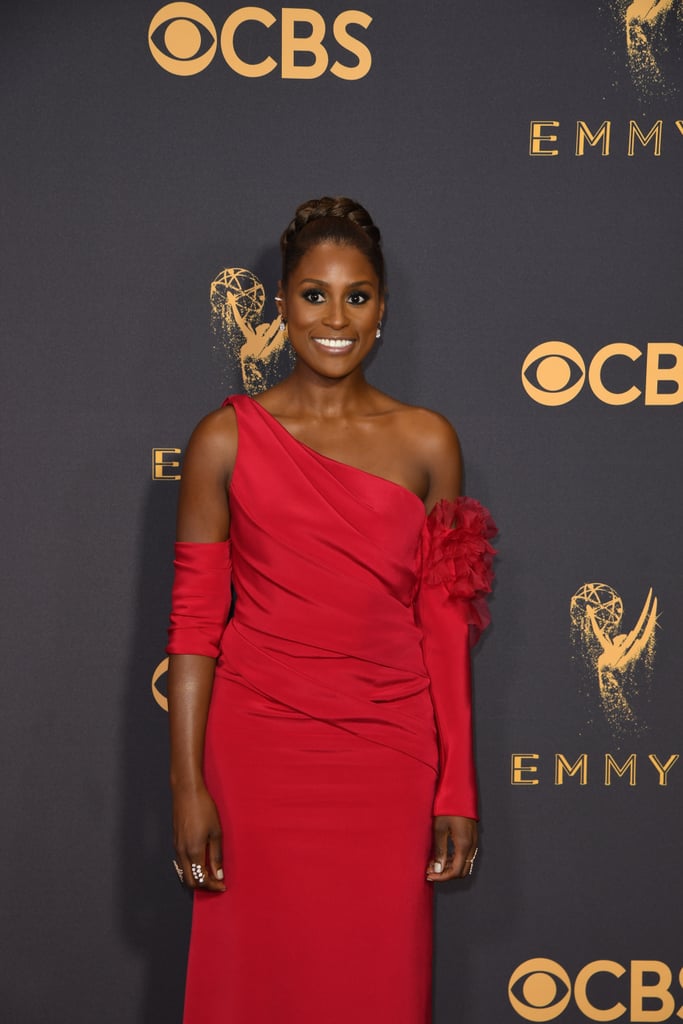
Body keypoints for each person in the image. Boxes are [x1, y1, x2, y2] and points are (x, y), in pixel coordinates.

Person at [166, 196, 496, 1023]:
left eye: (357, 296)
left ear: (383, 309)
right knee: (250, 982)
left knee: (375, 988)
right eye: (314, 294)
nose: (335, 317)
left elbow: (445, 626)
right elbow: (195, 628)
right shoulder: (223, 439)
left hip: (387, 758)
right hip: (257, 755)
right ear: (280, 305)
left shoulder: (428, 443)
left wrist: (456, 782)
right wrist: (187, 784)